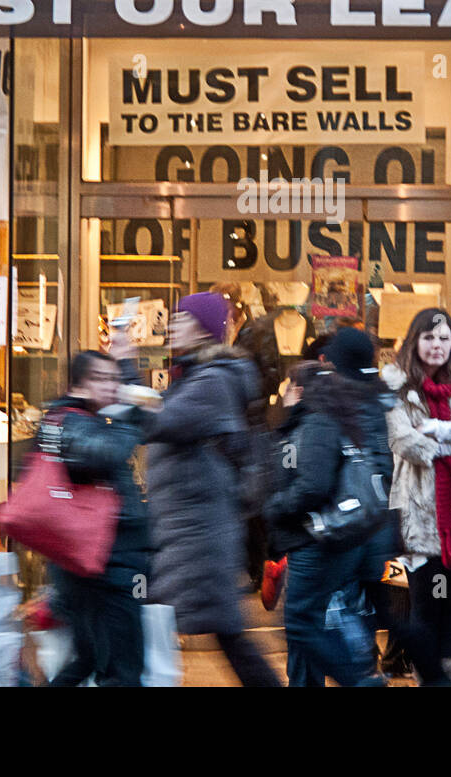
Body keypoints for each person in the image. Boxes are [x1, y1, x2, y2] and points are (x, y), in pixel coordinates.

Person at [135, 292, 280, 687]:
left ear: (201, 330)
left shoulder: (213, 381)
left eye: (180, 318)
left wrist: (123, 389)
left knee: (159, 617)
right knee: (223, 632)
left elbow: (162, 422)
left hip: (199, 530)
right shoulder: (198, 376)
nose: (172, 325)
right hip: (191, 526)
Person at [263, 331, 393, 687]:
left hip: (323, 536)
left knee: (306, 624)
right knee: (342, 618)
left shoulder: (319, 418)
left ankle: (358, 678)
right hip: (355, 534)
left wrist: (275, 508)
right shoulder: (367, 402)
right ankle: (361, 672)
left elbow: (313, 484)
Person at [382, 308, 451, 684]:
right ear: (415, 340)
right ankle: (429, 678)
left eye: (444, 338)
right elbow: (404, 440)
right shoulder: (395, 385)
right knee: (426, 605)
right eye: (429, 337)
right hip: (418, 511)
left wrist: (441, 429)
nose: (437, 345)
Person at [45, 350, 150, 687]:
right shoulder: (66, 421)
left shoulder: (89, 420)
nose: (110, 387)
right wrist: (125, 417)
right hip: (102, 564)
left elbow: (147, 424)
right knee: (122, 669)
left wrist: (129, 379)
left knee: (92, 658)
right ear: (78, 384)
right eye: (100, 379)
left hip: (107, 561)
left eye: (113, 379)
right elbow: (106, 453)